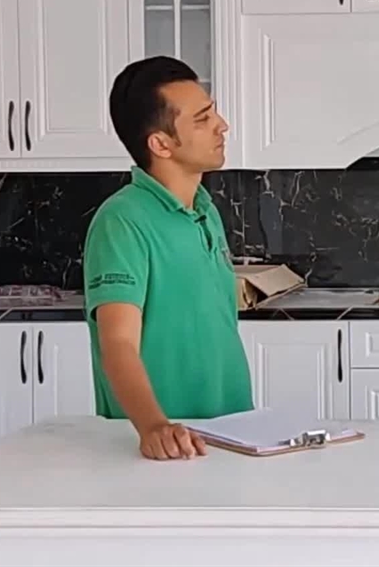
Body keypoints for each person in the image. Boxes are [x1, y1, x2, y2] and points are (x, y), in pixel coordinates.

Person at [82, 55, 253, 460]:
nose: (222, 125)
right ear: (160, 144)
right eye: (203, 119)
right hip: (165, 446)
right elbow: (117, 343)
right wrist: (154, 427)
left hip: (233, 433)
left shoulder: (205, 210)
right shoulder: (122, 221)